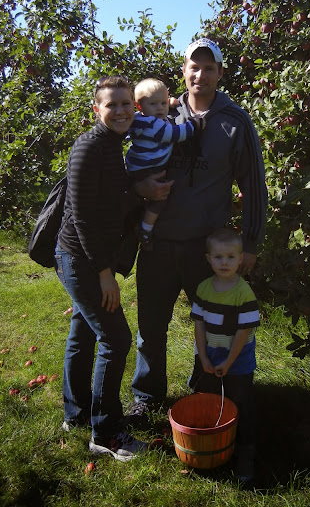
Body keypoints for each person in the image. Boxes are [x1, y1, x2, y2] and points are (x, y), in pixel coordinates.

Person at [127, 37, 267, 423]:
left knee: (212, 322)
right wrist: (140, 188)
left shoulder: (235, 121)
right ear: (184, 71)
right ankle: (147, 394)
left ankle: (207, 388)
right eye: (194, 66)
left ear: (220, 73)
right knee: (150, 325)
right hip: (157, 241)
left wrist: (251, 241)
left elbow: (253, 183)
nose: (200, 74)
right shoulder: (163, 112)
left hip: (205, 247)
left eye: (209, 67)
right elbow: (132, 162)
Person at [54, 76, 169, 462]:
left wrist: (140, 191)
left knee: (83, 332)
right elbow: (83, 217)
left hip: (87, 257)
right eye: (111, 105)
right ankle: (106, 433)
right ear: (96, 109)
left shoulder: (113, 145)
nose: (120, 111)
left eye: (125, 104)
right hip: (80, 258)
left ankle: (76, 414)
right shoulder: (89, 146)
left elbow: (113, 196)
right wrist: (104, 273)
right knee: (117, 339)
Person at [188, 227, 260, 482]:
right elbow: (199, 325)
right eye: (218, 257)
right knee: (209, 397)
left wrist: (229, 362)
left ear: (240, 259)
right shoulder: (204, 288)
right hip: (209, 355)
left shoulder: (243, 293)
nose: (224, 262)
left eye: (231, 257)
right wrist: (203, 358)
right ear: (208, 259)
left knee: (240, 401)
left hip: (237, 360)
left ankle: (244, 451)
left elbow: (243, 331)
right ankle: (211, 441)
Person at [125, 77, 199, 251]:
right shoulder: (152, 124)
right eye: (154, 104)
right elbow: (175, 134)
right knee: (160, 198)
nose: (160, 108)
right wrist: (194, 125)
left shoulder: (140, 118)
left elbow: (159, 106)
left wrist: (169, 103)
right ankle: (145, 229)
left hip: (137, 166)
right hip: (147, 169)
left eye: (163, 103)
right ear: (139, 106)